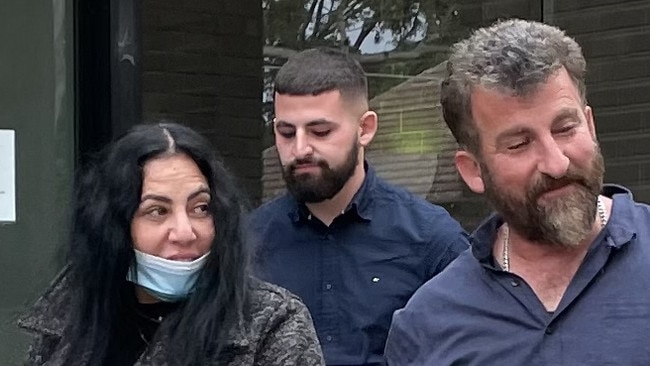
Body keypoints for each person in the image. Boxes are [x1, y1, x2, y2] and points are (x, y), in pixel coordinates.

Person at [384, 18, 650, 365]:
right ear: (473, 170)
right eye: (520, 144)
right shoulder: (428, 327)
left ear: (591, 124)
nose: (556, 163)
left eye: (566, 128)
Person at [18, 122, 325, 366]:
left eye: (201, 208)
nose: (184, 231)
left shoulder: (271, 323)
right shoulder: (71, 318)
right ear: (114, 226)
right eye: (158, 211)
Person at [249, 48, 469, 366]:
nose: (299, 149)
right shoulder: (247, 242)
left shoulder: (432, 240)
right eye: (286, 133)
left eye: (320, 131)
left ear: (364, 129)